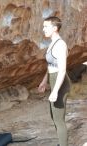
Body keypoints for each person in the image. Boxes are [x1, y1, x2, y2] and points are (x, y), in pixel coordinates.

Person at [38, 16, 71, 146]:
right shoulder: (52, 42)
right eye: (43, 26)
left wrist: (55, 91)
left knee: (59, 119)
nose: (43, 29)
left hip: (61, 84)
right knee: (54, 116)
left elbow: (62, 70)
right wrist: (44, 81)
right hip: (54, 80)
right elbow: (51, 65)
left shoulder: (60, 45)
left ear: (55, 28)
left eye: (46, 26)